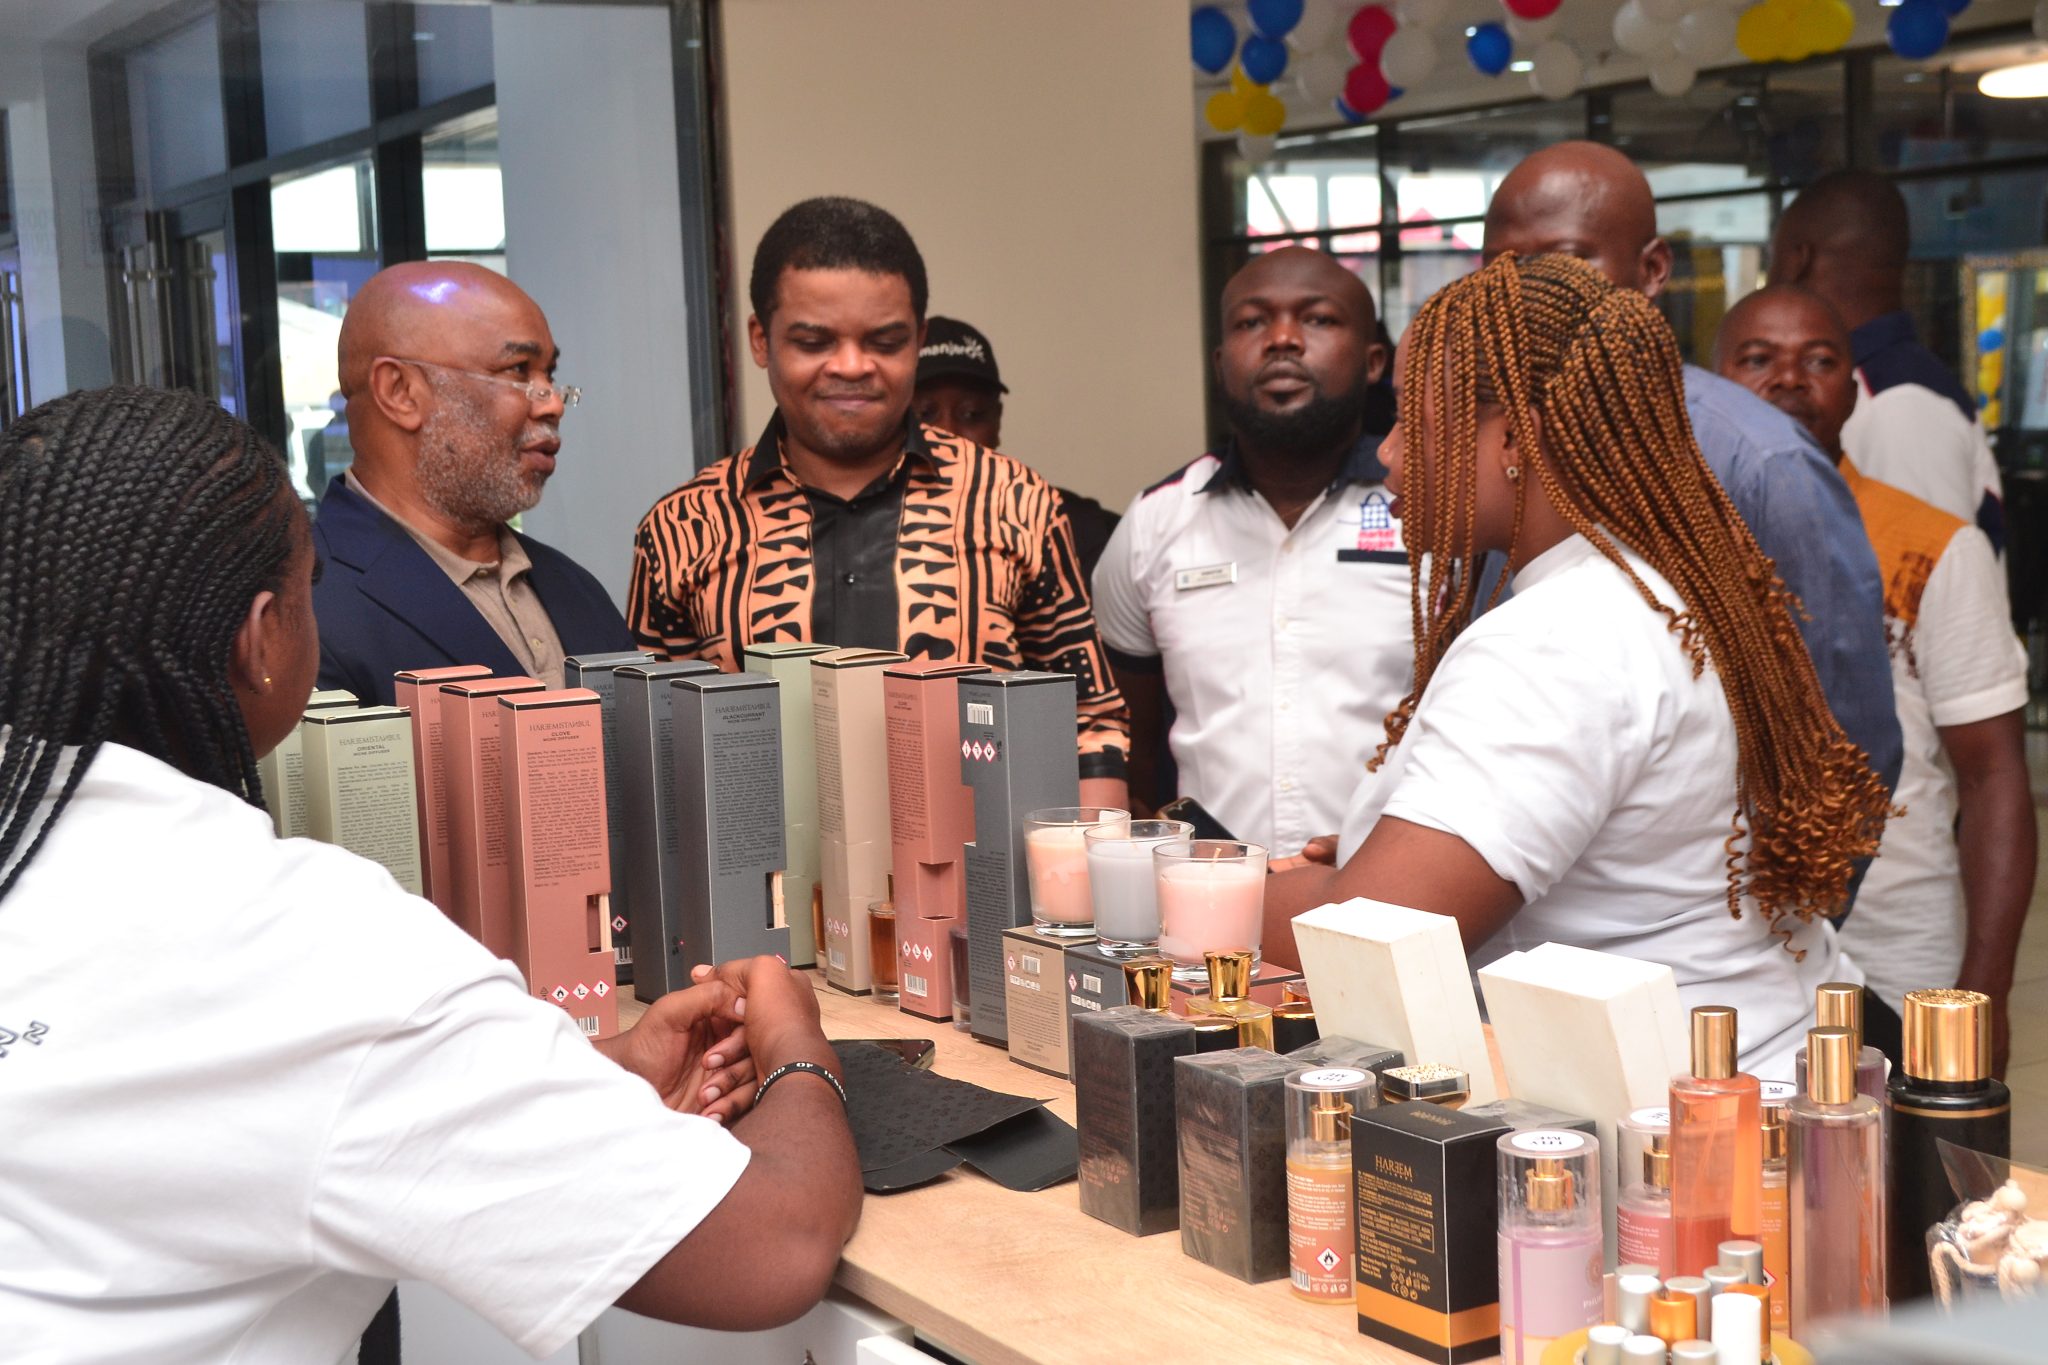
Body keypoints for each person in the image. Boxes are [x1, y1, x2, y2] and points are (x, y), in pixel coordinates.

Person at [0, 386, 862, 1360]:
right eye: (310, 586)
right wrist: (796, 1045)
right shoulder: (302, 943)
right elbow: (774, 1247)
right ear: (260, 638)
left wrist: (574, 1075)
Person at [1266, 255, 1892, 1080]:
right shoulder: (1670, 588)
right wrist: (1382, 847)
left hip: (1691, 1118)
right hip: (1779, 1066)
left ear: (1514, 438)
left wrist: (1219, 886)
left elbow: (1365, 941)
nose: (1386, 454)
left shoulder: (1554, 640)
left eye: (1412, 422)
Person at [629, 197, 1129, 805]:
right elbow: (654, 754)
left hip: (988, 865)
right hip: (758, 866)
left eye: (885, 342)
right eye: (814, 341)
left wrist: (1087, 867)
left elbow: (1089, 725)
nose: (851, 366)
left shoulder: (1017, 503)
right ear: (761, 340)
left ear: (918, 340)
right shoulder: (681, 528)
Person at [1482, 142, 1903, 808]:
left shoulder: (1762, 462)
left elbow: (1845, 738)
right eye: (1503, 268)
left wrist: (1766, 883)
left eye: (1564, 262)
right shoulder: (1482, 448)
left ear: (1652, 270)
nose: (1526, 293)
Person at [1715, 286, 2032, 1074]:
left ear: (1853, 391)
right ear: (1717, 384)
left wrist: (1986, 989)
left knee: (1911, 1148)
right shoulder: (1679, 546)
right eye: (1758, 358)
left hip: (1897, 946)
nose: (1790, 378)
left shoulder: (1933, 546)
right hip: (1723, 947)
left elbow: (1993, 776)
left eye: (1820, 360)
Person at [1091, 246, 1404, 854]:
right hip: (1204, 890)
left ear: (1373, 362)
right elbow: (1126, 738)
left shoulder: (1427, 511)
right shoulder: (1156, 521)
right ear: (1219, 363)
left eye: (1318, 319)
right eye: (1252, 321)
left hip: (1393, 887)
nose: (1282, 339)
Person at [312, 262, 632, 706]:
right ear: (400, 392)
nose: (553, 404)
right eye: (518, 370)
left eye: (550, 375)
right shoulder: (304, 607)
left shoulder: (574, 588)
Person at [1768, 169, 2005, 551]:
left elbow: (1919, 575)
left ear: (1798, 260)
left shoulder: (1898, 403)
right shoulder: (1872, 384)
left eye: (1772, 260)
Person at [912, 315, 1120, 581]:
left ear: (997, 422)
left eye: (971, 414)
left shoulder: (1077, 531)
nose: (949, 434)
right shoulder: (868, 537)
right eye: (925, 414)